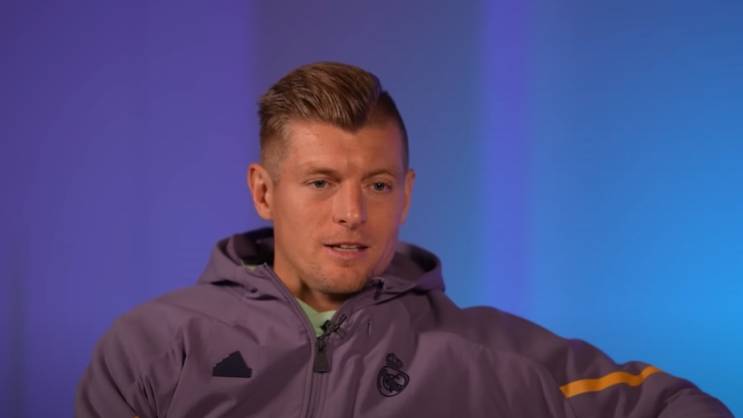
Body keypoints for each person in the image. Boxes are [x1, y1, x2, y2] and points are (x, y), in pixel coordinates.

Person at [76, 62, 732, 417]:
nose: (352, 213)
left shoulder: (490, 358)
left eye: (378, 184)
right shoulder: (153, 349)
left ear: (407, 194)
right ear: (264, 191)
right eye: (321, 183)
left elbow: (673, 406)